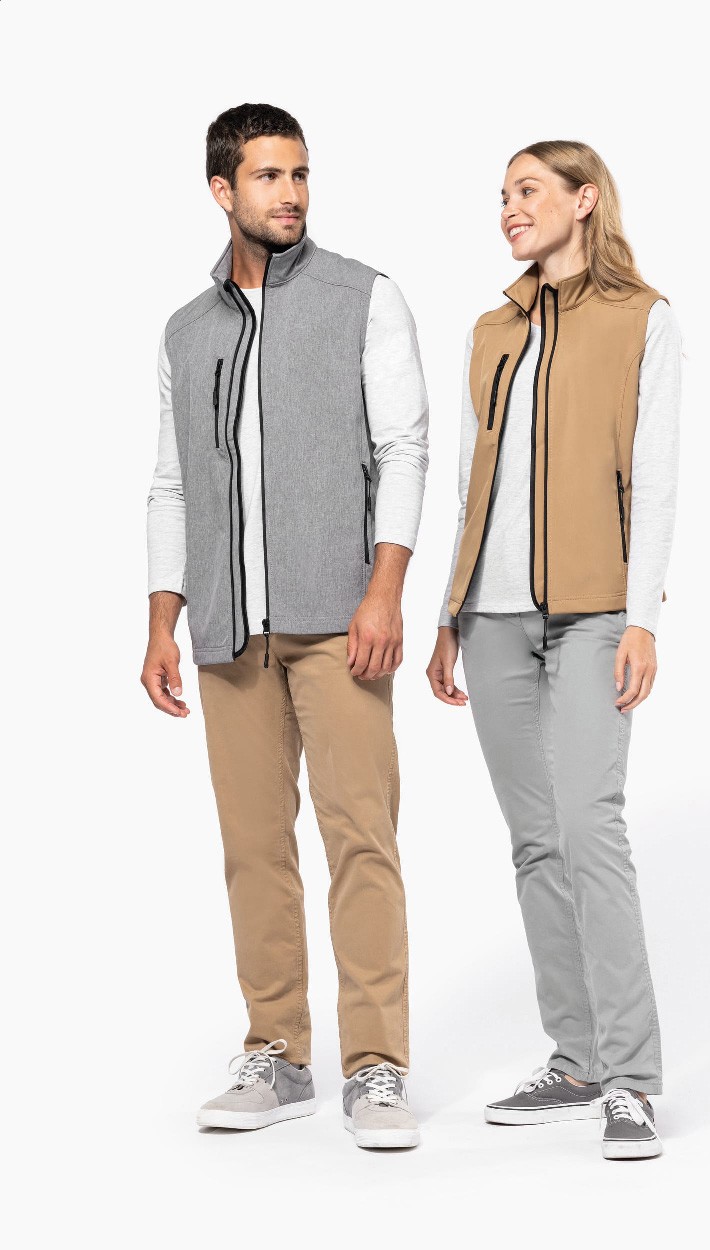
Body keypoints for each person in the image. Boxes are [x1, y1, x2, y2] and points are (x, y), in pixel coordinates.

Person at [142, 103, 428, 1150]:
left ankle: (377, 1063)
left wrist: (384, 590)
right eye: (268, 176)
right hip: (227, 630)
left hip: (337, 617)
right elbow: (172, 483)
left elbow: (403, 448)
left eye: (300, 173)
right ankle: (278, 1051)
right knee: (253, 849)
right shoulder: (188, 330)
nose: (291, 193)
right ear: (222, 190)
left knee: (361, 839)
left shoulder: (364, 296)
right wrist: (163, 617)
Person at [427, 140, 681, 1160]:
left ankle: (631, 1076)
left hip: (591, 610)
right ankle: (574, 1058)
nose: (508, 208)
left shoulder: (641, 318)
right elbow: (469, 480)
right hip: (489, 615)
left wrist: (639, 617)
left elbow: (653, 477)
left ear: (582, 200)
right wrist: (448, 611)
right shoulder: (492, 329)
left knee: (587, 827)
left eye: (526, 190)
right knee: (534, 839)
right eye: (501, 195)